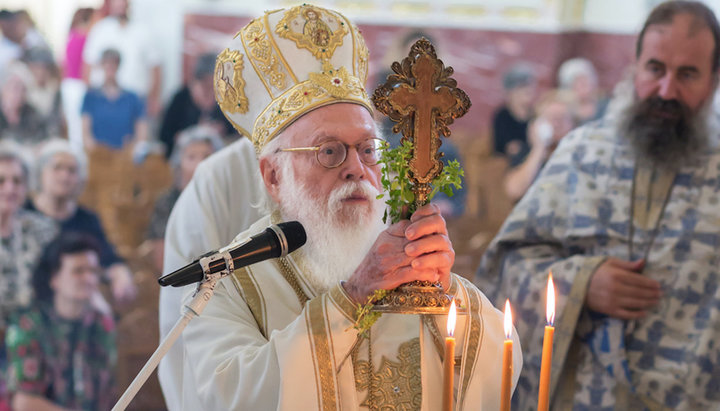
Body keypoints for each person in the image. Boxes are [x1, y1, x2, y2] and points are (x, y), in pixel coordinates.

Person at [168, 5, 521, 410]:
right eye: (329, 151)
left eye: (368, 150)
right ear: (274, 176)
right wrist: (352, 299)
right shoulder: (229, 284)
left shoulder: (405, 255)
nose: (357, 169)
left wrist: (445, 293)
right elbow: (228, 397)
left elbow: (503, 366)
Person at [476, 1, 720, 409]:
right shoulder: (580, 153)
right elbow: (502, 267)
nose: (666, 90)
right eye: (656, 69)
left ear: (713, 82)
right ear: (635, 67)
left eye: (688, 74)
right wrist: (581, 282)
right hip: (580, 396)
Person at [5, 233, 116, 411]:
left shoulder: (101, 321)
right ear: (54, 278)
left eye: (93, 271)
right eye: (78, 271)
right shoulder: (28, 325)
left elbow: (107, 391)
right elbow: (24, 403)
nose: (88, 278)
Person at [27, 139, 137, 304]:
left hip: (75, 303)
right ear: (41, 173)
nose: (65, 176)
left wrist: (120, 275)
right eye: (57, 168)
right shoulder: (24, 213)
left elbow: (108, 259)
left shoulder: (87, 219)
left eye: (72, 170)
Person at [0, 144, 57, 408]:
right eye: (1, 181)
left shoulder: (43, 229)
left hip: (37, 333)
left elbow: (58, 282)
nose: (9, 188)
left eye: (17, 181)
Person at [146, 125, 223, 273]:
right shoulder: (167, 202)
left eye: (206, 156)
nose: (200, 164)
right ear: (179, 163)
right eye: (191, 157)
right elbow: (161, 259)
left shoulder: (225, 200)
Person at [82, 0, 162, 118]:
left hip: (136, 102)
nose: (120, 4)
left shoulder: (143, 31)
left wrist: (153, 99)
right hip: (105, 102)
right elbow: (87, 66)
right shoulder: (100, 30)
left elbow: (155, 66)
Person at [503, 90, 574, 202]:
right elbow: (514, 191)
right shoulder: (525, 152)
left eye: (562, 118)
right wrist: (539, 149)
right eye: (551, 118)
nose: (557, 125)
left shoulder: (579, 154)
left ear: (573, 124)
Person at [159, 53, 234, 158]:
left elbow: (235, 135)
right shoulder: (181, 99)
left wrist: (220, 132)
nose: (210, 91)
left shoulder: (228, 99)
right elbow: (165, 136)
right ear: (195, 81)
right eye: (205, 84)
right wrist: (192, 133)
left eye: (214, 85)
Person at [81, 48, 147, 151]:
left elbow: (141, 130)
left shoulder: (132, 98)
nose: (110, 67)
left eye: (113, 64)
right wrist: (96, 151)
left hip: (125, 155)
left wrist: (135, 147)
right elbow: (85, 132)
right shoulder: (91, 97)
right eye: (106, 63)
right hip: (99, 156)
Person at [62, 8, 95, 151]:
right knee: (78, 128)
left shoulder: (71, 36)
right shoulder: (84, 38)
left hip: (68, 84)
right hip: (78, 84)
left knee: (74, 127)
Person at [492, 63, 537, 157]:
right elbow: (508, 148)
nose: (528, 90)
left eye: (529, 86)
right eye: (522, 87)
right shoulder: (502, 115)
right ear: (510, 92)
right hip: (507, 163)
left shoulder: (535, 115)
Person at [0, 63, 48, 146]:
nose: (18, 93)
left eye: (23, 89)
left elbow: (43, 140)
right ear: (3, 88)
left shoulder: (33, 115)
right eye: (14, 87)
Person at [557, 57, 608, 125]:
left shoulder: (606, 105)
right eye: (578, 82)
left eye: (586, 80)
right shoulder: (563, 111)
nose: (584, 85)